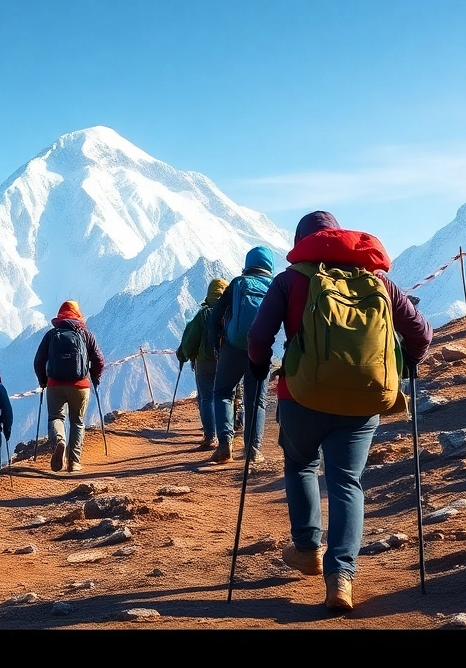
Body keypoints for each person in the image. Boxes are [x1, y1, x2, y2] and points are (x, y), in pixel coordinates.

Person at [247, 211, 430, 612]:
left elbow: (259, 336)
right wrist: (406, 364)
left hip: (302, 397)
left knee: (300, 466)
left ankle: (309, 549)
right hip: (363, 401)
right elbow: (420, 333)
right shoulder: (378, 281)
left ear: (302, 242)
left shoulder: (290, 279)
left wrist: (259, 366)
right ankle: (341, 578)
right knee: (347, 481)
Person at [208, 247, 277, 465]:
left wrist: (216, 345)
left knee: (222, 393)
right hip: (261, 349)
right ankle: (253, 451)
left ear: (248, 264)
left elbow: (214, 316)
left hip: (233, 346)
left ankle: (225, 443)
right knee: (256, 400)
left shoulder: (238, 283)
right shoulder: (276, 286)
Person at [33, 300, 105, 473]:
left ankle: (60, 440)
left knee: (55, 417)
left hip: (55, 385)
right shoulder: (86, 334)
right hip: (80, 385)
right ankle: (74, 463)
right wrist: (95, 376)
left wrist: (43, 380)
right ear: (79, 314)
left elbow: (38, 361)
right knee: (77, 422)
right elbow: (99, 360)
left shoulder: (51, 335)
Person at [176, 278, 229, 452]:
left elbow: (191, 340)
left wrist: (183, 355)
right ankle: (228, 437)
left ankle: (210, 437)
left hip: (205, 361)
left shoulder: (203, 314)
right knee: (226, 397)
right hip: (228, 361)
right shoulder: (231, 311)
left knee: (207, 399)